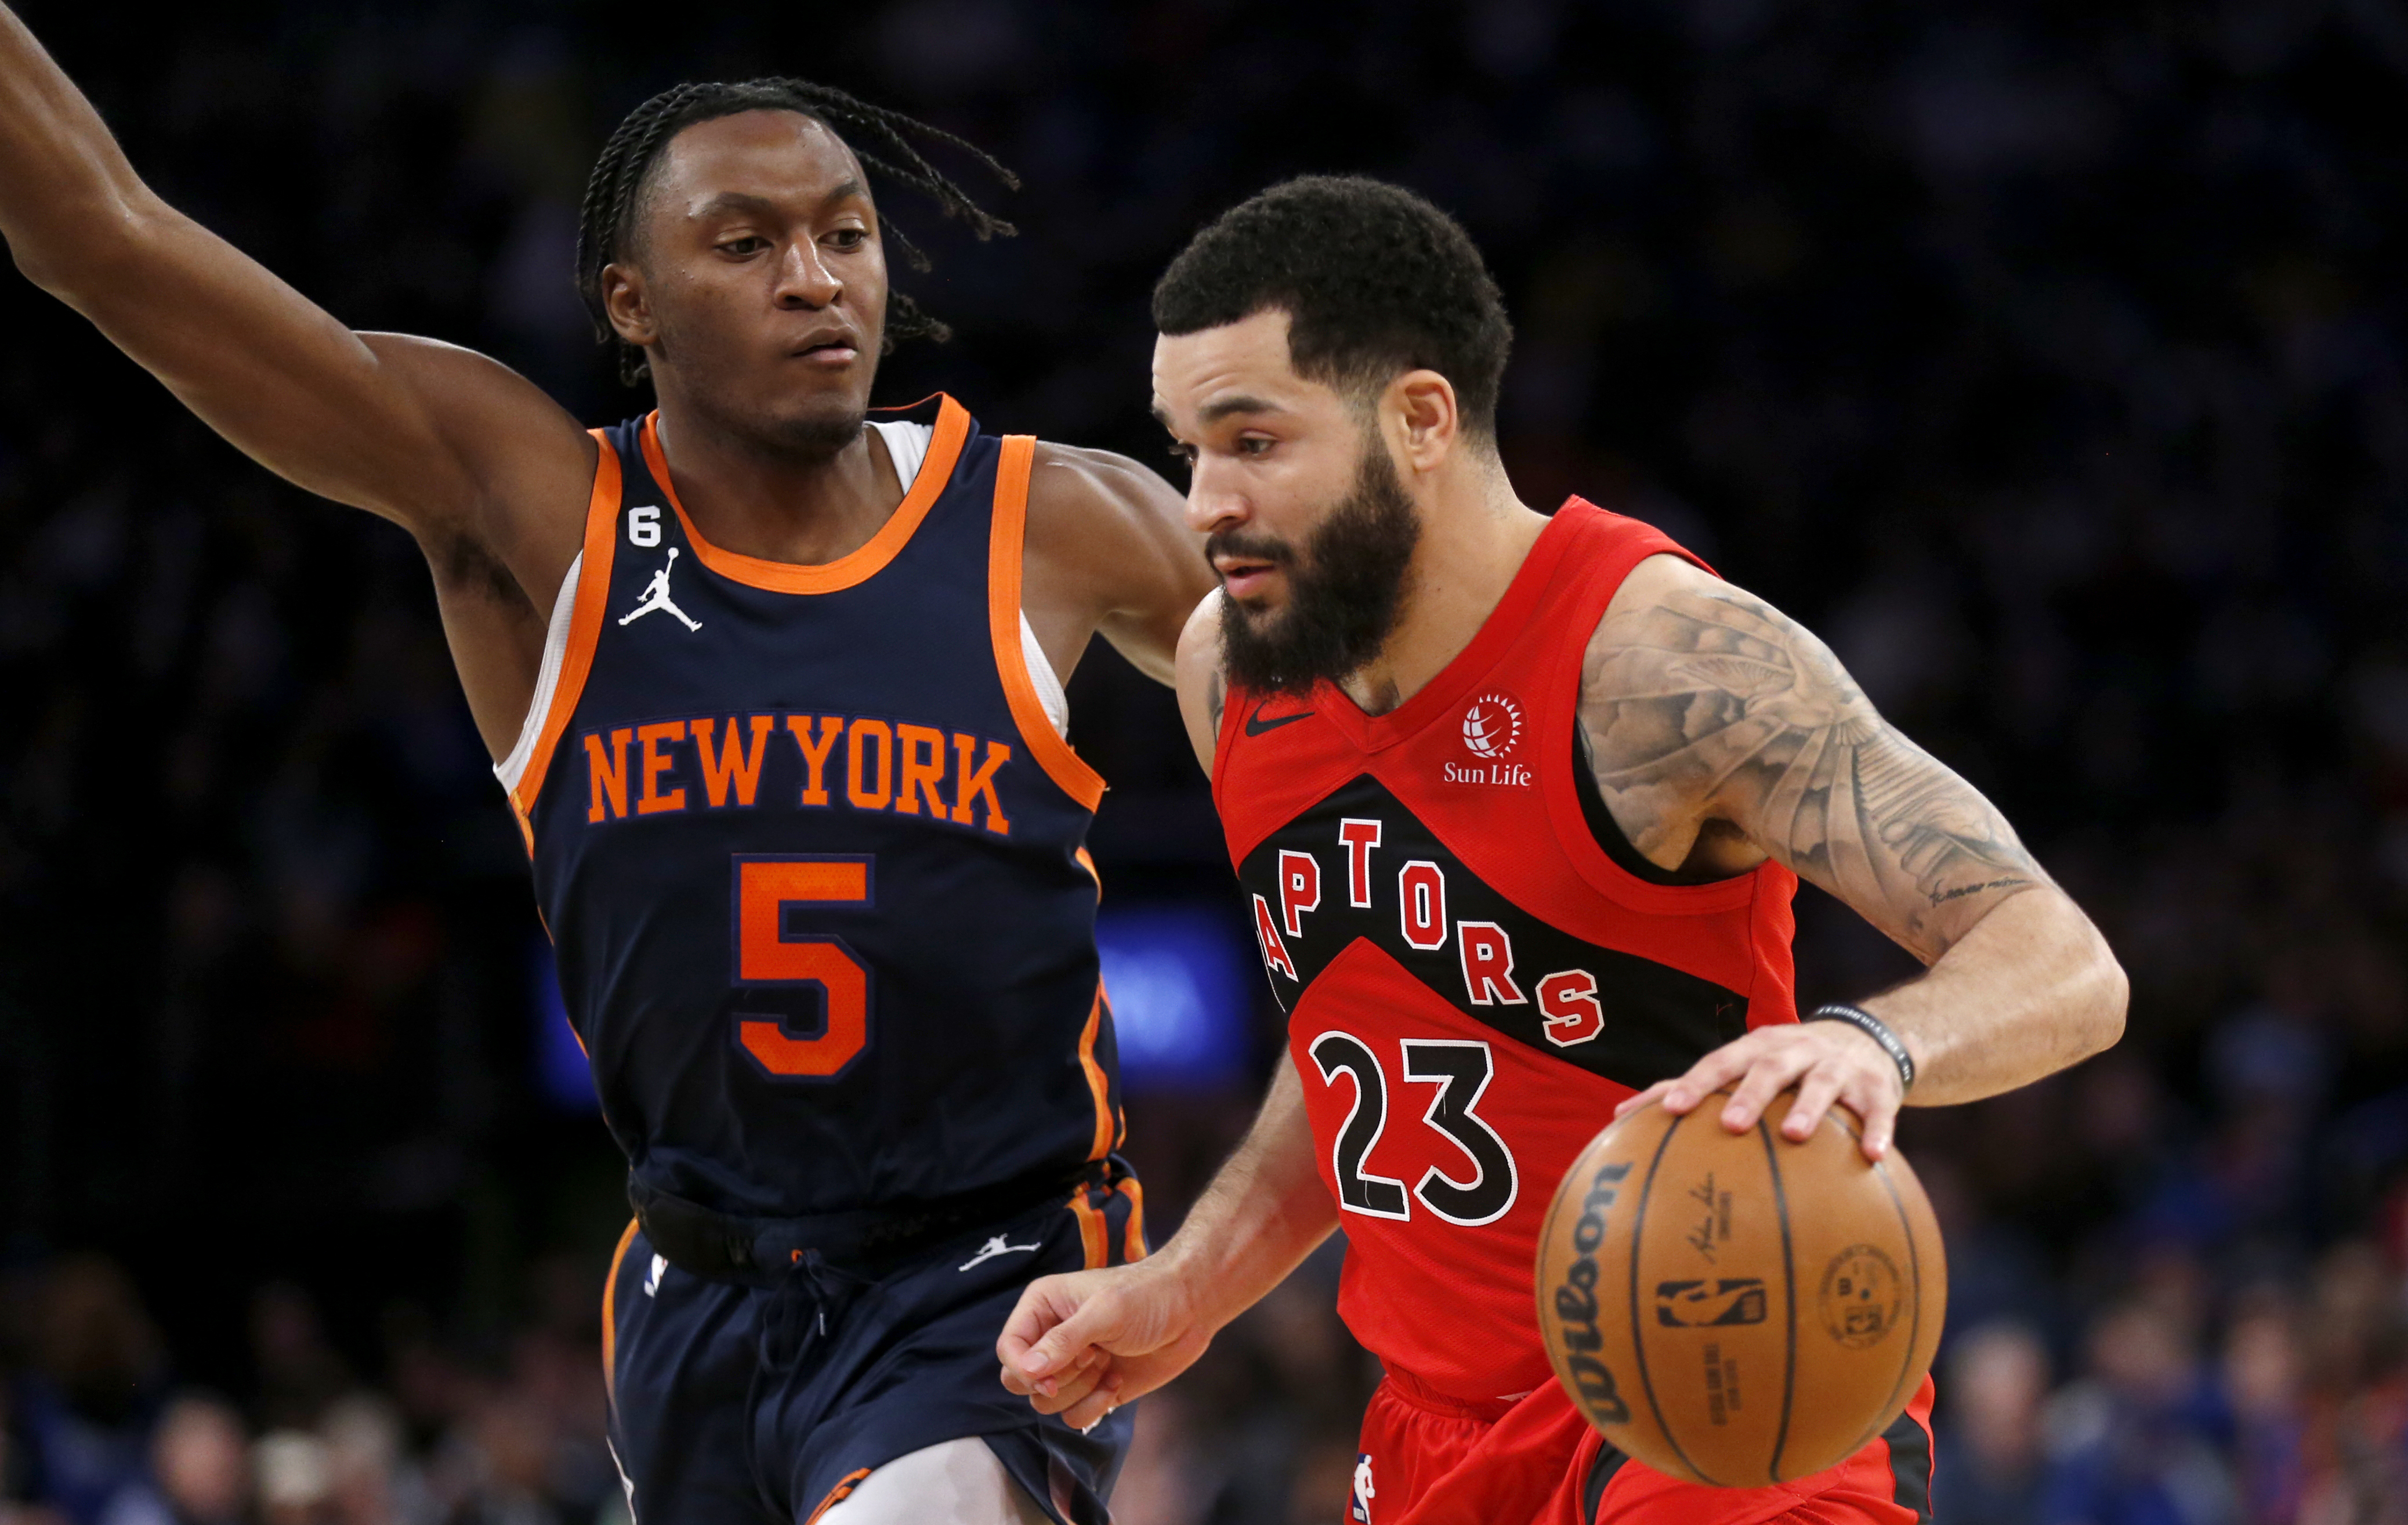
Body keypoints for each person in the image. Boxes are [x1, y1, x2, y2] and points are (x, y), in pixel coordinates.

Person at [0, 12, 1214, 1523]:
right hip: (697, 1283)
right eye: (747, 242)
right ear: (630, 303)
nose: (815, 276)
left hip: (989, 1268)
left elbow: (1342, 738)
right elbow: (104, 237)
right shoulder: (541, 520)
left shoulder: (1057, 519)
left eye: (846, 233)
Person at [997, 176, 2130, 1524]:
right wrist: (1191, 1282)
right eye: (1188, 448)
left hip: (1718, 1382)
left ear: (1418, 419)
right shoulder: (1228, 675)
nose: (1204, 504)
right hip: (1427, 1431)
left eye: (1252, 442)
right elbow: (1359, 1024)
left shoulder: (1660, 662)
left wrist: (1866, 1045)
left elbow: (2065, 964)